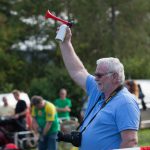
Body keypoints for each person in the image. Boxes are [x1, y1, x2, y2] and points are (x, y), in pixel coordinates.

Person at [56, 27, 140, 150]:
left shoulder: (125, 102)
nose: (95, 78)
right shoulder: (99, 90)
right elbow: (78, 71)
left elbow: (130, 142)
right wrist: (65, 43)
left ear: (115, 77)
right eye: (95, 74)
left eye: (99, 75)